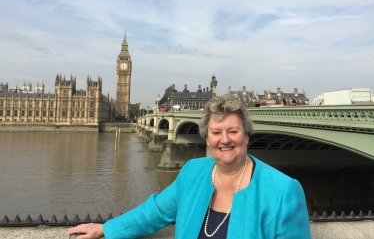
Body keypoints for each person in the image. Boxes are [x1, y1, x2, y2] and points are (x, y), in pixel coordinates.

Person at [68, 95, 311, 239]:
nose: (224, 140)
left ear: (247, 135)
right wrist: (107, 229)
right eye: (216, 132)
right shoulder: (193, 171)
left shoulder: (283, 191)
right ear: (207, 138)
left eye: (233, 131)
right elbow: (155, 212)